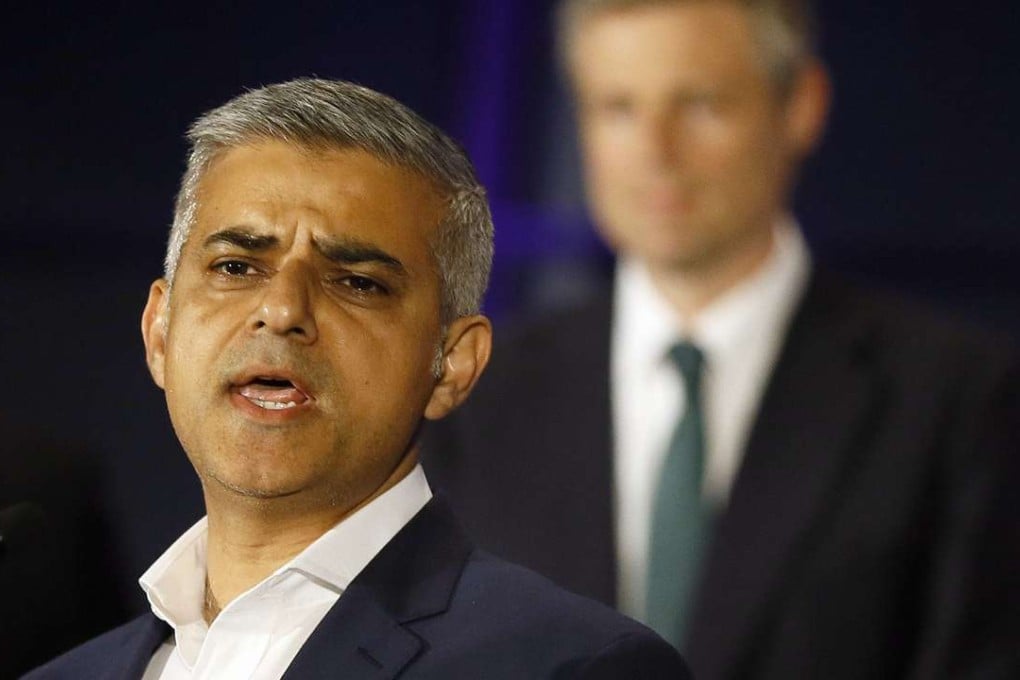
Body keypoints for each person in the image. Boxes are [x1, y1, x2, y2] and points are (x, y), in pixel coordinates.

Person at [421, 1, 1020, 678]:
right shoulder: (474, 396)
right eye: (618, 107)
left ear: (800, 106)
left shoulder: (957, 398)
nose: (656, 152)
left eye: (700, 104)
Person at [24, 78, 690, 679]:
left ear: (452, 364)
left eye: (357, 283)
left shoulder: (572, 669)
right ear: (161, 331)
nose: (282, 310)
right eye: (236, 267)